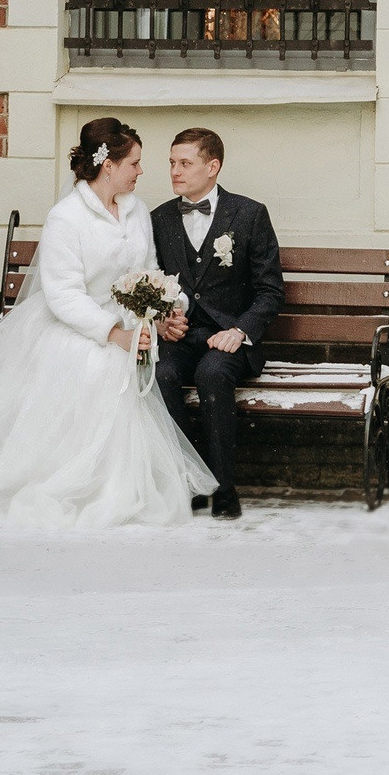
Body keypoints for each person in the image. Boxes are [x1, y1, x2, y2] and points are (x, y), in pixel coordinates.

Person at [0, 118, 215, 528]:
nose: (142, 171)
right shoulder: (67, 218)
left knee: (132, 367)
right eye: (135, 162)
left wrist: (166, 312)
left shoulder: (136, 209)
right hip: (76, 328)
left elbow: (149, 271)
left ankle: (125, 485)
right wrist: (115, 334)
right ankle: (81, 484)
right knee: (104, 368)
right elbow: (63, 296)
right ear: (108, 165)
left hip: (130, 327)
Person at [149, 128, 284, 520]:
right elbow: (152, 281)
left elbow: (271, 291)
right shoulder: (159, 219)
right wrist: (163, 318)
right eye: (172, 163)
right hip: (182, 336)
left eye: (185, 163)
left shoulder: (249, 214)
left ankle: (224, 489)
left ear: (213, 167)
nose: (175, 171)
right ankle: (192, 479)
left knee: (212, 374)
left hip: (231, 340)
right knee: (160, 373)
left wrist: (239, 330)